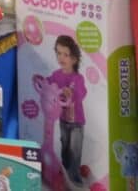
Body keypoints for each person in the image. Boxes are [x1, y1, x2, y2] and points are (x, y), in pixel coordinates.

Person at [49, 35, 86, 184]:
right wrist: (43, 83)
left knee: (75, 148)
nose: (61, 57)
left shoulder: (78, 78)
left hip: (77, 121)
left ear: (74, 59)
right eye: (58, 53)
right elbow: (48, 84)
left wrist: (73, 93)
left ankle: (74, 174)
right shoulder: (56, 75)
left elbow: (82, 93)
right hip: (63, 120)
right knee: (64, 145)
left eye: (66, 54)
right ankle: (64, 169)